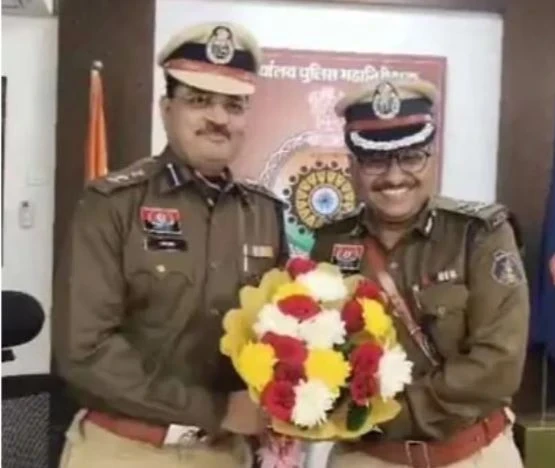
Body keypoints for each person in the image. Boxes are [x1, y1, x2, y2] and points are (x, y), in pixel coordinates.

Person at [52, 22, 288, 468]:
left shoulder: (263, 214)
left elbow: (282, 334)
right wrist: (217, 410)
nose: (218, 118)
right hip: (124, 451)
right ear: (166, 109)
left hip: (226, 455)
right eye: (199, 100)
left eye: (234, 105)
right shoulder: (113, 204)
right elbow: (85, 352)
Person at [310, 79, 529, 467]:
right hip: (366, 458)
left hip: (472, 456)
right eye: (375, 160)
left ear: (433, 157)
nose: (394, 177)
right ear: (352, 166)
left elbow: (498, 365)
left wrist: (384, 411)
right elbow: (314, 349)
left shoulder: (479, 236)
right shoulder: (330, 243)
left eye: (411, 157)